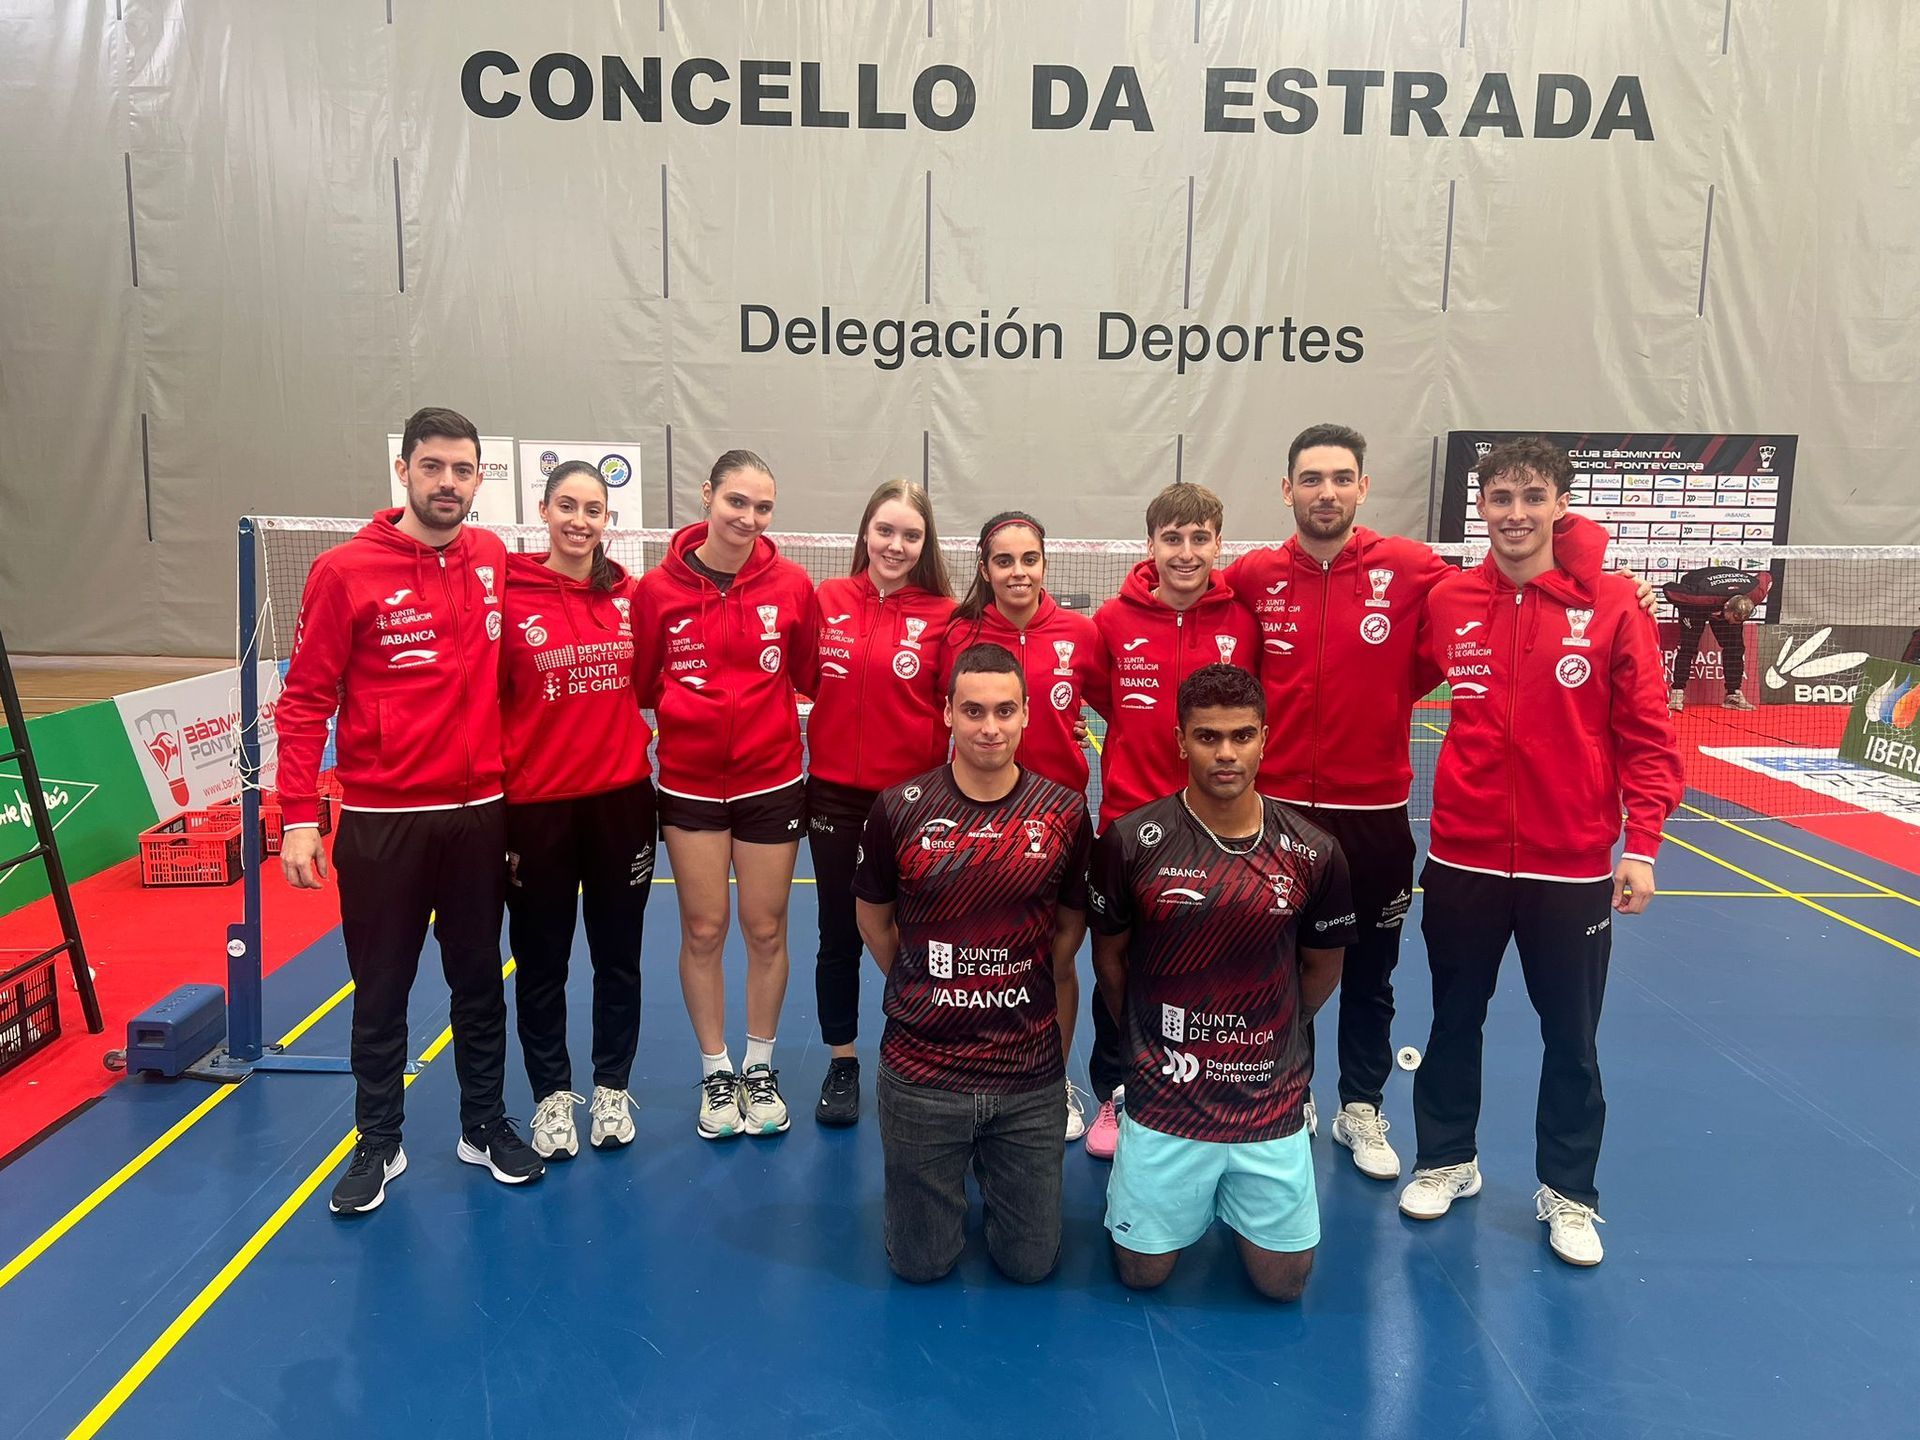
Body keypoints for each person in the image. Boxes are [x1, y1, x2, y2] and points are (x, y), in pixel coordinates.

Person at [1221, 422, 1645, 1183]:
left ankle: (1360, 1105)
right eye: (1311, 479)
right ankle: (1286, 1098)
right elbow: (1191, 601)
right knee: (1275, 968)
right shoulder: (1255, 575)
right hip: (1278, 809)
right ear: (1287, 490)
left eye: (1341, 477)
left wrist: (1603, 571)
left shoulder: (1415, 569)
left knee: (1371, 971)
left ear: (1363, 487)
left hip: (1377, 813)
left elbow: (1524, 565)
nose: (1326, 492)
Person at [1404, 437, 1682, 1267]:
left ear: (1561, 505)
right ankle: (1446, 1159)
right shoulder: (1449, 600)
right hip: (1464, 856)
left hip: (1571, 863)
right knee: (1453, 1020)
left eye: (1533, 497)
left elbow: (1648, 734)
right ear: (1481, 506)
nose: (1516, 513)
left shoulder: (1615, 603)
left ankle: (1569, 1193)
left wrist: (1643, 844)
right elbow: (1387, 676)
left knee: (1572, 1039)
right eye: (1501, 497)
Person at [277, 406, 543, 1215]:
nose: (448, 483)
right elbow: (304, 700)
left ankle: (483, 1124)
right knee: (381, 988)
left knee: (479, 982)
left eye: (463, 470)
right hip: (383, 821)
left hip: (479, 816)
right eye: (433, 467)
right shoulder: (343, 572)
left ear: (479, 478)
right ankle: (379, 1139)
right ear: (404, 471)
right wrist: (298, 816)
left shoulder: (492, 557)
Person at [1087, 665, 1355, 1301]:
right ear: (1181, 741)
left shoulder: (1314, 851)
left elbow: (1322, 968)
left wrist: (1274, 1029)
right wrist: (1148, 1037)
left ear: (1265, 739)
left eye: (1242, 736)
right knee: (1142, 1274)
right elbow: (1110, 961)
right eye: (1208, 736)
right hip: (1166, 1098)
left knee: (1284, 1285)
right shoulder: (1131, 842)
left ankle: (1233, 1202)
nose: (1226, 753)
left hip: (1269, 1100)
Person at [853, 643, 1092, 1283]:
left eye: (1004, 711)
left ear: (1027, 714)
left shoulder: (1065, 813)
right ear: (948, 714)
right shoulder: (899, 808)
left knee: (1030, 1265)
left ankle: (994, 1168)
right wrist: (923, 982)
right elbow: (874, 921)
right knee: (921, 1265)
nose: (990, 727)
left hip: (1026, 1077)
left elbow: (1067, 933)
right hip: (923, 1073)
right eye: (974, 711)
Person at [634, 450, 816, 1140]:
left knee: (765, 930)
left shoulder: (791, 585)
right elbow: (643, 681)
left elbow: (808, 674)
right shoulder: (658, 591)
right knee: (704, 929)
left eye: (763, 507)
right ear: (707, 495)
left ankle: (758, 1067)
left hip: (772, 782)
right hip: (689, 786)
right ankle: (716, 1071)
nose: (749, 517)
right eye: (737, 501)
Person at [1080, 482, 1260, 1161]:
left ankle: (1215, 1084)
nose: (1186, 552)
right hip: (1131, 827)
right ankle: (1116, 1091)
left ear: (1218, 544)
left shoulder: (1243, 621)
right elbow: (1105, 700)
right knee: (1118, 965)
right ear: (1150, 544)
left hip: (1222, 830)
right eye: (1172, 538)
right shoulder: (1111, 622)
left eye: (1199, 538)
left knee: (1214, 969)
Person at [499, 460, 656, 1158]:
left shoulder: (629, 597)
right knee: (542, 963)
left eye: (593, 510)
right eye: (567, 506)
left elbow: (654, 679)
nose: (580, 521)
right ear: (544, 510)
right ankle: (551, 1098)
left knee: (619, 958)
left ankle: (612, 1089)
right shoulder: (510, 596)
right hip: (537, 809)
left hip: (622, 803)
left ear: (607, 521)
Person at [940, 511, 1102, 1141]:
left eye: (1028, 559)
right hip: (973, 824)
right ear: (985, 569)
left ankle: (1052, 1082)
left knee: (1057, 959)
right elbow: (939, 712)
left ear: (1044, 564)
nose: (1017, 572)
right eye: (1003, 561)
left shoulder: (1080, 634)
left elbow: (1120, 708)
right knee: (979, 961)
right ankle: (972, 1074)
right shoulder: (958, 633)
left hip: (1058, 824)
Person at [802, 480, 955, 1126]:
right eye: (885, 530)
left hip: (915, 803)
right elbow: (800, 677)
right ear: (866, 532)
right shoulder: (828, 599)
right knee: (837, 933)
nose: (896, 545)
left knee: (916, 934)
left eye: (910, 535)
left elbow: (962, 702)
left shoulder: (947, 615)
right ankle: (843, 1061)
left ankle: (921, 1045)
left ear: (925, 544)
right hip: (833, 796)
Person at [1665, 565, 1771, 711]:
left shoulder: (1755, 593)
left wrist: (1731, 618)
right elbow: (1669, 589)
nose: (1733, 623)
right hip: (1695, 600)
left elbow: (1766, 576)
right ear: (1725, 607)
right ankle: (1677, 693)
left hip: (1726, 593)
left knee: (1735, 647)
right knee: (1688, 647)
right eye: (1732, 619)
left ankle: (1733, 695)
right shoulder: (1700, 597)